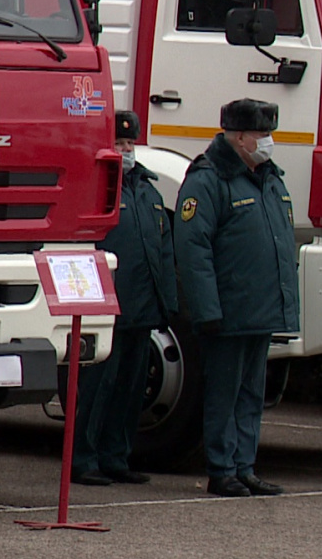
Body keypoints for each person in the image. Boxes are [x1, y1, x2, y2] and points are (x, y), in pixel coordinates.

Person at [173, 98, 298, 497]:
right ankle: (221, 469)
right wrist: (207, 309)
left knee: (250, 395)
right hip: (227, 312)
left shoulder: (268, 178)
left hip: (258, 310)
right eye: (262, 135)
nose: (268, 142)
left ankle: (245, 466)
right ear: (239, 136)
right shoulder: (208, 180)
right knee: (224, 395)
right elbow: (194, 249)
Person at [71, 109, 178, 486]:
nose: (127, 149)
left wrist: (167, 302)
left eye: (131, 143)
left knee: (130, 391)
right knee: (98, 388)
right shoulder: (96, 186)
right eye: (119, 143)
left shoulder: (147, 189)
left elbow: (163, 248)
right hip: (108, 308)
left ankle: (116, 456)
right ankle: (83, 459)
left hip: (143, 308)